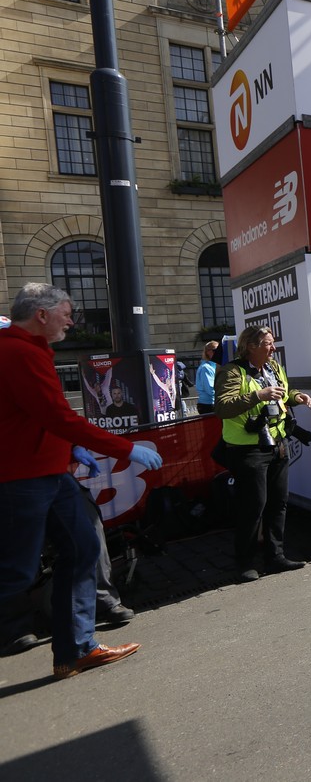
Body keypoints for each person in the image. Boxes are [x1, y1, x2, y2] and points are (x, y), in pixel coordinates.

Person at [0, 282, 159, 676]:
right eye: (67, 313)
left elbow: (38, 415)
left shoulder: (27, 349)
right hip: (23, 479)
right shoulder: (19, 352)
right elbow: (58, 417)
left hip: (48, 474)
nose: (72, 321)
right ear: (41, 314)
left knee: (84, 548)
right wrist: (125, 449)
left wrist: (71, 449)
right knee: (16, 572)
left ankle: (76, 649)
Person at [215, 326, 311, 582]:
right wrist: (258, 395)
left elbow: (283, 394)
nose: (273, 348)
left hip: (277, 444)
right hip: (248, 450)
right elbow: (223, 407)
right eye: (268, 343)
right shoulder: (232, 371)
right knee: (253, 507)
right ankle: (245, 563)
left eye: (272, 343)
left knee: (278, 503)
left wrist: (297, 396)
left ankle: (275, 557)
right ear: (251, 346)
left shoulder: (274, 368)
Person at [196, 340, 219, 414]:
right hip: (208, 404)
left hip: (214, 402)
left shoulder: (215, 366)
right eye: (215, 350)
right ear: (208, 352)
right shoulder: (206, 368)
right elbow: (210, 389)